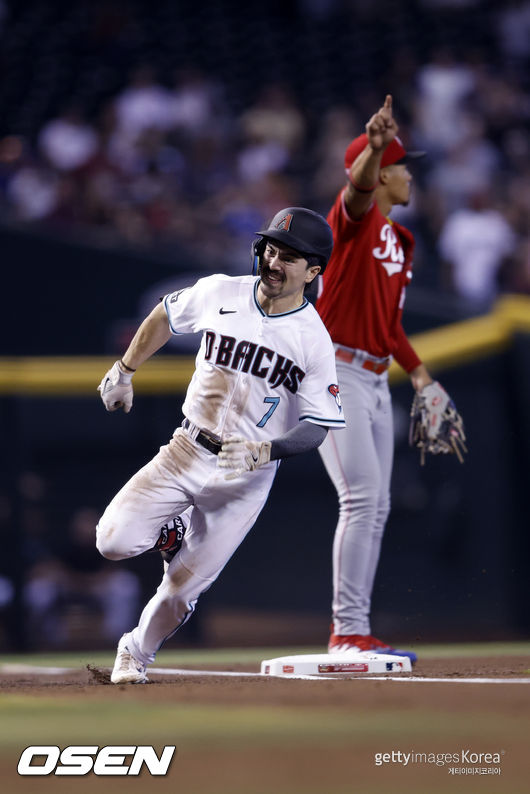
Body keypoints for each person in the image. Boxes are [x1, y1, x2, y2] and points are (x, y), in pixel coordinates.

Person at [96, 207, 345, 683]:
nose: (274, 261)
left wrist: (267, 451)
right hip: (185, 448)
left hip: (245, 476)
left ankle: (135, 652)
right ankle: (171, 533)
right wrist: (124, 370)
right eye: (271, 249)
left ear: (313, 272)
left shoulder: (313, 340)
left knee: (181, 591)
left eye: (289, 257)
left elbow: (319, 425)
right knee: (113, 541)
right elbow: (164, 315)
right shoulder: (220, 291)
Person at [316, 95, 436, 663]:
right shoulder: (354, 224)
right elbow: (355, 193)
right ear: (384, 171)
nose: (410, 174)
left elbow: (389, 324)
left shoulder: (400, 241)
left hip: (374, 377)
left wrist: (421, 375)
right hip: (332, 371)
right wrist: (377, 147)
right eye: (402, 165)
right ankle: (347, 633)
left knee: (377, 503)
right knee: (361, 499)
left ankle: (356, 629)